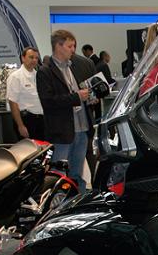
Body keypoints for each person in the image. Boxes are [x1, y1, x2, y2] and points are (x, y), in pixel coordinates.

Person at [36, 29, 98, 191]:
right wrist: (77, 97)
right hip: (62, 132)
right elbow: (48, 102)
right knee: (58, 175)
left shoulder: (74, 68)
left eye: (74, 46)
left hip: (82, 129)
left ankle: (78, 201)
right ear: (58, 46)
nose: (73, 50)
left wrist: (89, 98)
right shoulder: (45, 72)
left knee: (77, 174)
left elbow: (79, 93)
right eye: (70, 46)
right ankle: (58, 203)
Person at [6, 46, 44, 140]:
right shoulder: (16, 77)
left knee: (42, 148)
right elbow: (13, 102)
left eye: (36, 58)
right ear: (23, 58)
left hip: (41, 120)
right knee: (28, 148)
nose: (34, 60)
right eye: (31, 57)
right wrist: (20, 125)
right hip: (26, 120)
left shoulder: (38, 75)